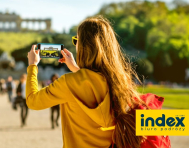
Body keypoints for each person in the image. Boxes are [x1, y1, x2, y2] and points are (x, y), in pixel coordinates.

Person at [26, 16, 148, 148]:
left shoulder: (69, 82)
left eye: (76, 40)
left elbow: (33, 101)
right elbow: (94, 83)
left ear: (84, 45)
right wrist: (76, 69)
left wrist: (33, 66)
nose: (75, 44)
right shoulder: (121, 80)